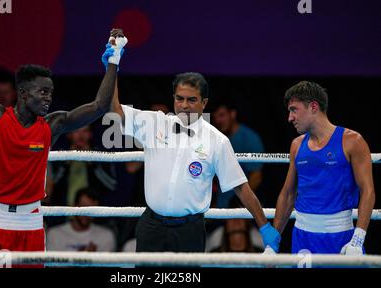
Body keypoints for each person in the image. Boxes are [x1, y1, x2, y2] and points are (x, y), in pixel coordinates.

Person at [0, 21, 127, 257]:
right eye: (43, 92)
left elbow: (99, 106)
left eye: (50, 92)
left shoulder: (52, 124)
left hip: (31, 221)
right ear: (23, 93)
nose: (48, 98)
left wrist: (114, 60)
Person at [105, 33, 279, 252]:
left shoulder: (217, 140)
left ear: (204, 103)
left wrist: (264, 226)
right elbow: (115, 110)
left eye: (191, 100)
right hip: (151, 225)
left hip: (190, 230)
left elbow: (241, 187)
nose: (184, 105)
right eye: (180, 98)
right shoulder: (154, 122)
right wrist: (112, 67)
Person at [267, 81, 375, 255]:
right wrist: (272, 244)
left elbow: (368, 191)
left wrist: (358, 239)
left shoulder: (352, 141)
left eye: (294, 109)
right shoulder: (296, 145)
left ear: (313, 107)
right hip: (303, 237)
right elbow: (287, 194)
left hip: (342, 236)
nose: (290, 117)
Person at [212, 100, 265, 208]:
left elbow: (256, 176)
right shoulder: (213, 139)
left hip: (244, 207)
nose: (218, 120)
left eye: (222, 115)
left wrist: (240, 201)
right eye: (215, 117)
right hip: (219, 205)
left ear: (233, 114)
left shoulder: (250, 138)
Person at [46, 187, 116, 251]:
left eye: (92, 209)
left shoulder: (105, 235)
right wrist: (83, 257)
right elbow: (53, 265)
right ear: (74, 206)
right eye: (84, 207)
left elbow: (108, 264)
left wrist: (94, 257)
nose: (87, 214)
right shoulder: (55, 234)